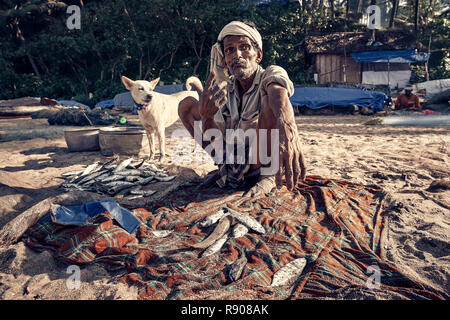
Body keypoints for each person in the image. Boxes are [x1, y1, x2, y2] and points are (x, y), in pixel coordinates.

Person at [178, 20, 306, 196]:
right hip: (231, 160)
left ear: (258, 54)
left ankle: (267, 177)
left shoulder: (270, 73)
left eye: (244, 47)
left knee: (270, 102)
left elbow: (279, 94)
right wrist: (206, 116)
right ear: (225, 58)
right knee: (186, 106)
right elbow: (216, 142)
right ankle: (224, 172)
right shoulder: (223, 89)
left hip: (260, 162)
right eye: (230, 50)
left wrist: (288, 130)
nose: (237, 55)